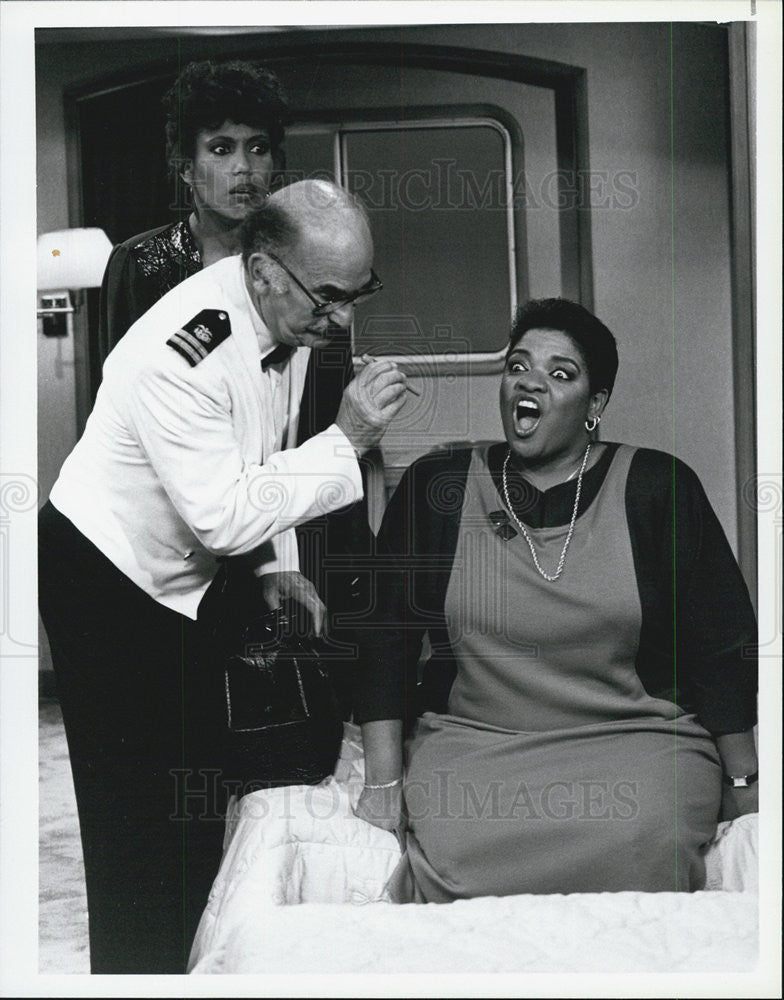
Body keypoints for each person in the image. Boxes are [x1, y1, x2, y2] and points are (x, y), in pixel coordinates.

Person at [38, 179, 408, 973]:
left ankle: (194, 963)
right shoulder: (184, 354)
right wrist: (348, 440)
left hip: (190, 570)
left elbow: (259, 450)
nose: (343, 317)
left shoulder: (289, 313)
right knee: (135, 816)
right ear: (267, 270)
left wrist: (275, 566)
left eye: (359, 293)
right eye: (332, 296)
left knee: (198, 789)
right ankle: (138, 974)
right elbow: (222, 515)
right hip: (105, 575)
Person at [354, 297, 758, 902]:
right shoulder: (437, 486)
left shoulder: (657, 486)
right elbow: (383, 640)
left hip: (636, 740)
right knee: (455, 851)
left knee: (644, 838)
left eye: (560, 374)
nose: (531, 382)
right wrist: (383, 782)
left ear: (594, 406)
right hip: (478, 742)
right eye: (518, 366)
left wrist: (745, 780)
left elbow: (718, 649)